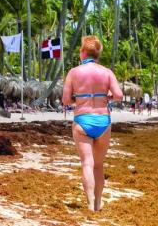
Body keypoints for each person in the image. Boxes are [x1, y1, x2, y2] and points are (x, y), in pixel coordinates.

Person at [62, 36, 124, 212]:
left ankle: (90, 204)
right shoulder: (107, 72)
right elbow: (118, 96)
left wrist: (80, 100)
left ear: (83, 51)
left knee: (87, 164)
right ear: (98, 53)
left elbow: (65, 100)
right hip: (103, 120)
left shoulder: (74, 72)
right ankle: (98, 203)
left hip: (82, 120)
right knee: (98, 165)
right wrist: (106, 97)